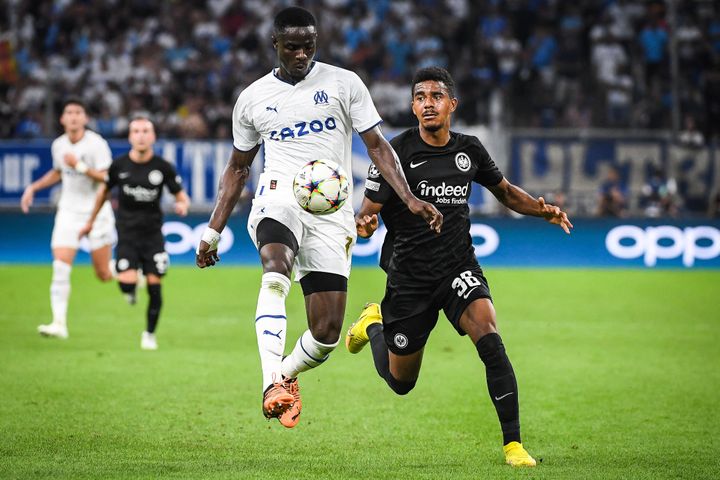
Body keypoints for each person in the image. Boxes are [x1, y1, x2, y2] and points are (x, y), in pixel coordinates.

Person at [195, 6, 442, 429]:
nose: (301, 55)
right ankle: (270, 380)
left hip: (331, 214)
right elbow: (238, 169)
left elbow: (379, 147)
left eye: (308, 46)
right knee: (275, 271)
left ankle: (286, 376)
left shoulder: (345, 84)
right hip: (279, 198)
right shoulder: (253, 98)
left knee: (327, 333)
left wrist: (410, 198)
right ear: (275, 44)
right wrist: (212, 231)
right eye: (291, 47)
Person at [345, 67, 573, 467]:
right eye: (420, 97)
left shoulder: (469, 149)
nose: (427, 103)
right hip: (410, 278)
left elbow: (504, 192)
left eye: (436, 96)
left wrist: (541, 210)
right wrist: (364, 225)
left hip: (457, 267)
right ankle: (372, 324)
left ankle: (513, 445)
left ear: (452, 104)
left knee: (489, 335)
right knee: (401, 383)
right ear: (413, 106)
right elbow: (368, 215)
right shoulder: (393, 153)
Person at [80, 117, 189, 350]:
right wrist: (90, 221)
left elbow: (181, 196)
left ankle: (149, 334)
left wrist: (182, 205)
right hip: (127, 235)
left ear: (153, 136)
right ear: (130, 136)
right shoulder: (119, 166)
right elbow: (103, 193)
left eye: (145, 131)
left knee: (155, 286)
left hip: (153, 236)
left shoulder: (163, 167)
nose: (141, 135)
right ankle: (130, 288)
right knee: (127, 284)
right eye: (136, 131)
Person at [20, 98, 115, 339]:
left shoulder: (96, 144)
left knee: (103, 274)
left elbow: (106, 179)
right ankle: (59, 324)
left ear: (85, 118)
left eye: (78, 112)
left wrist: (81, 166)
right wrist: (34, 187)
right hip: (68, 211)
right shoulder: (59, 145)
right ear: (62, 119)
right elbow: (59, 171)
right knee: (60, 266)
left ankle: (128, 271)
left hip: (97, 211)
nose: (73, 116)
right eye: (69, 112)